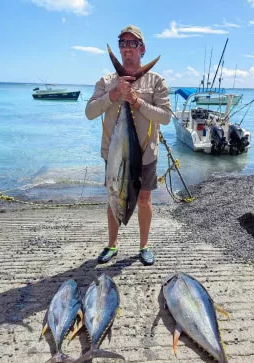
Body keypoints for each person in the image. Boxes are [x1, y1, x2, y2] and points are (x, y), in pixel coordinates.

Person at [85, 25, 172, 266]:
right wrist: (113, 95)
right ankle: (112, 245)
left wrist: (135, 100)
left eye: (133, 44)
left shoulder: (156, 82)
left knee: (144, 199)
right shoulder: (106, 81)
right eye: (123, 43)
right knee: (113, 195)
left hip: (145, 154)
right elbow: (90, 112)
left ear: (142, 49)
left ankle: (144, 246)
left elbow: (165, 117)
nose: (127, 49)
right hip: (114, 154)